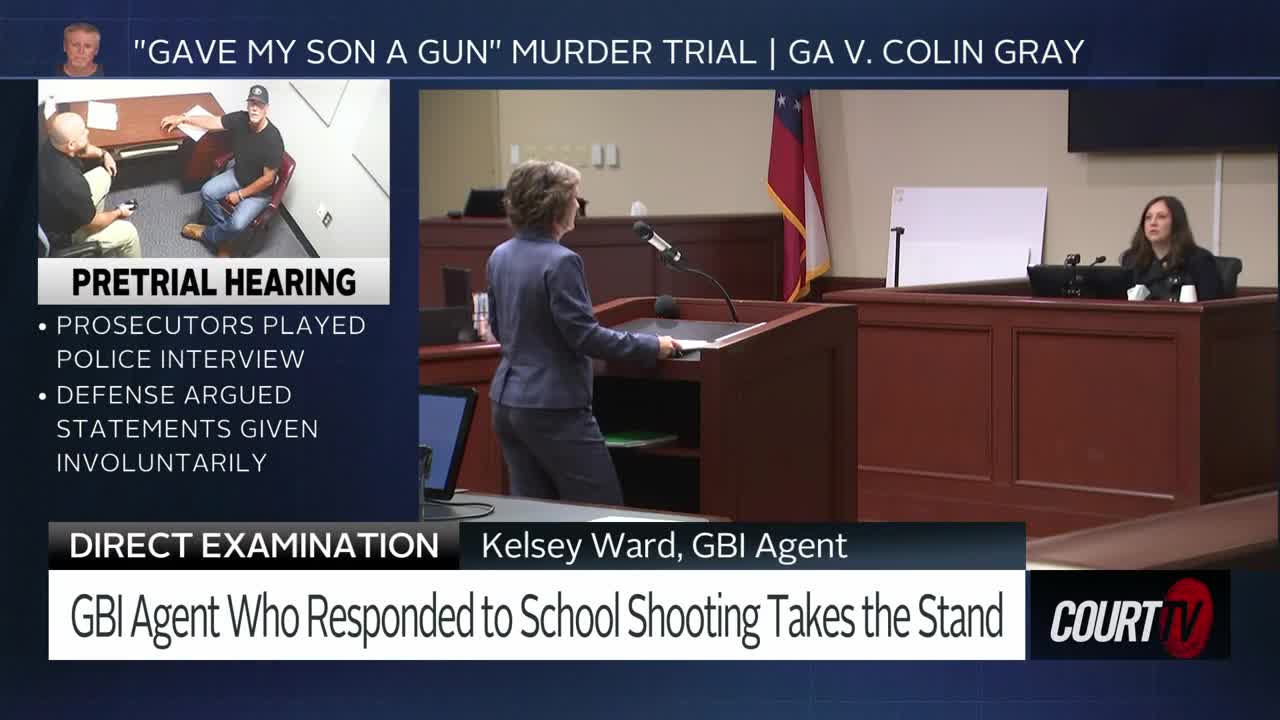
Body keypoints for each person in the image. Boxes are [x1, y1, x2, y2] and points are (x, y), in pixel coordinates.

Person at [486, 160, 680, 503]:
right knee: (601, 510)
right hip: (554, 407)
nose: (579, 204)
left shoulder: (500, 255)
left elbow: (501, 329)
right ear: (555, 205)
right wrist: (654, 346)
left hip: (507, 403)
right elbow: (585, 337)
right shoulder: (561, 261)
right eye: (575, 197)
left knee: (535, 516)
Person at [160, 84, 284, 257]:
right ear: (247, 105)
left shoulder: (273, 140)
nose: (255, 108)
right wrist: (183, 118)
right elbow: (213, 121)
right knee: (207, 192)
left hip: (259, 191)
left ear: (266, 109)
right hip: (238, 175)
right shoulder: (241, 119)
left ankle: (208, 234)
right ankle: (225, 238)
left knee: (238, 225)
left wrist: (240, 194)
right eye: (252, 103)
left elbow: (267, 180)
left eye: (260, 105)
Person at [38, 112, 139, 257]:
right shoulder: (70, 183)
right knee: (129, 233)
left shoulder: (48, 143)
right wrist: (119, 212)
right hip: (65, 236)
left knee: (102, 175)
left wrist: (104, 154)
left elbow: (81, 150)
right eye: (83, 132)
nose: (88, 131)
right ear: (71, 144)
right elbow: (94, 221)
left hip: (51, 211)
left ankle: (91, 221)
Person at [1120, 195, 1222, 301]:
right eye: (1148, 217)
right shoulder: (1132, 259)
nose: (1153, 223)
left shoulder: (1200, 260)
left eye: (1161, 217)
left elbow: (1212, 309)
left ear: (1177, 223)